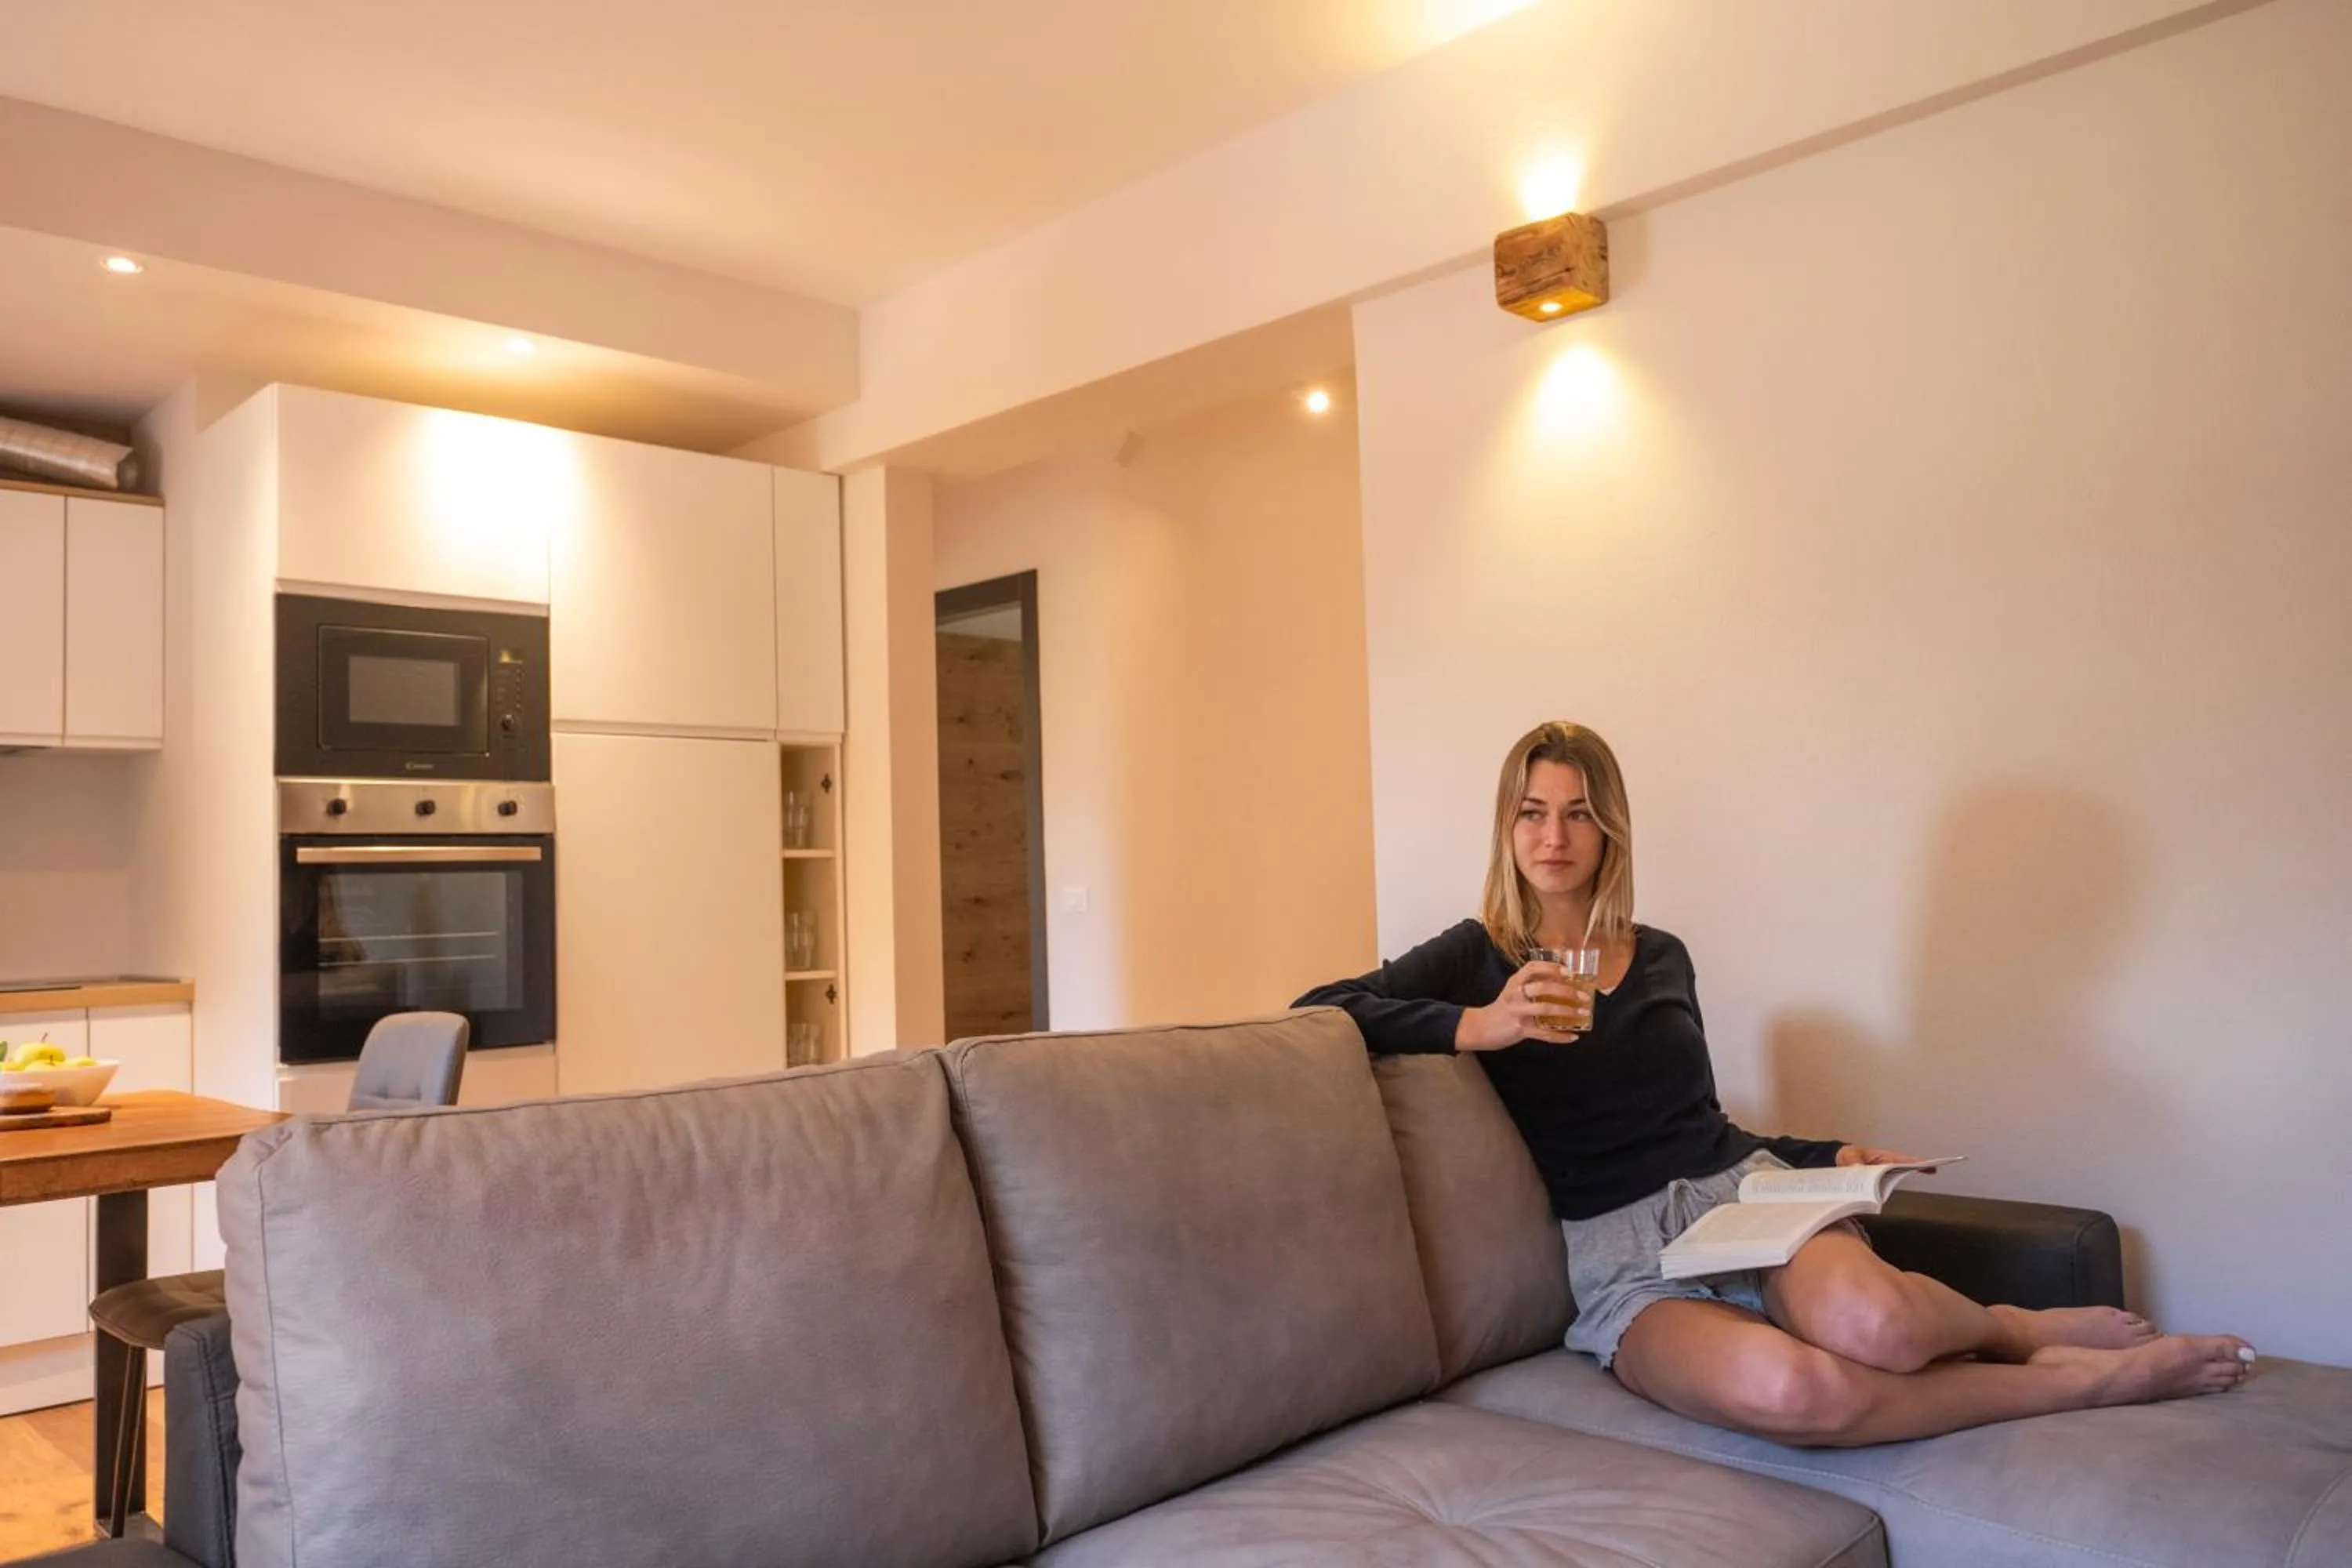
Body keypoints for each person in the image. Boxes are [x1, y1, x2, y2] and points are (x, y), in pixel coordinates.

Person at [1296, 720, 2252, 1446]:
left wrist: (1827, 1156)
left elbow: (1700, 1123)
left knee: (1880, 1321)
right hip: (1622, 1253)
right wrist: (1481, 1023)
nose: (1555, 834)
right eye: (1533, 810)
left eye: (1579, 810)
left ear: (1610, 826)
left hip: (1739, 1194)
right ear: (1507, 824)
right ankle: (2081, 1381)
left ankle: (2008, 1324)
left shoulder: (1664, 954)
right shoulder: (1479, 953)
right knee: (1804, 1392)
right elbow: (1321, 1003)